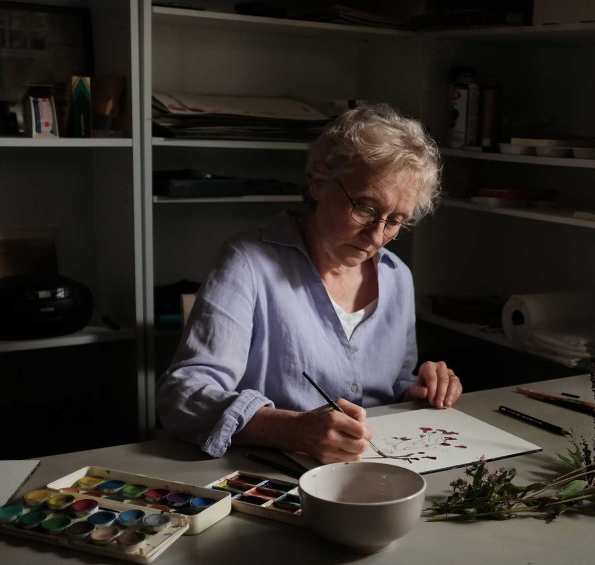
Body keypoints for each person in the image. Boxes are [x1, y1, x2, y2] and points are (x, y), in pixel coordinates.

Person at [156, 103, 461, 462]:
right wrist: (290, 428)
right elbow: (181, 396)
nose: (376, 236)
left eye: (394, 221)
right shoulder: (248, 263)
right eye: (364, 208)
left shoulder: (397, 277)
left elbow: (391, 388)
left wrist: (419, 391)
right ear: (319, 181)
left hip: (377, 469)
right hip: (273, 475)